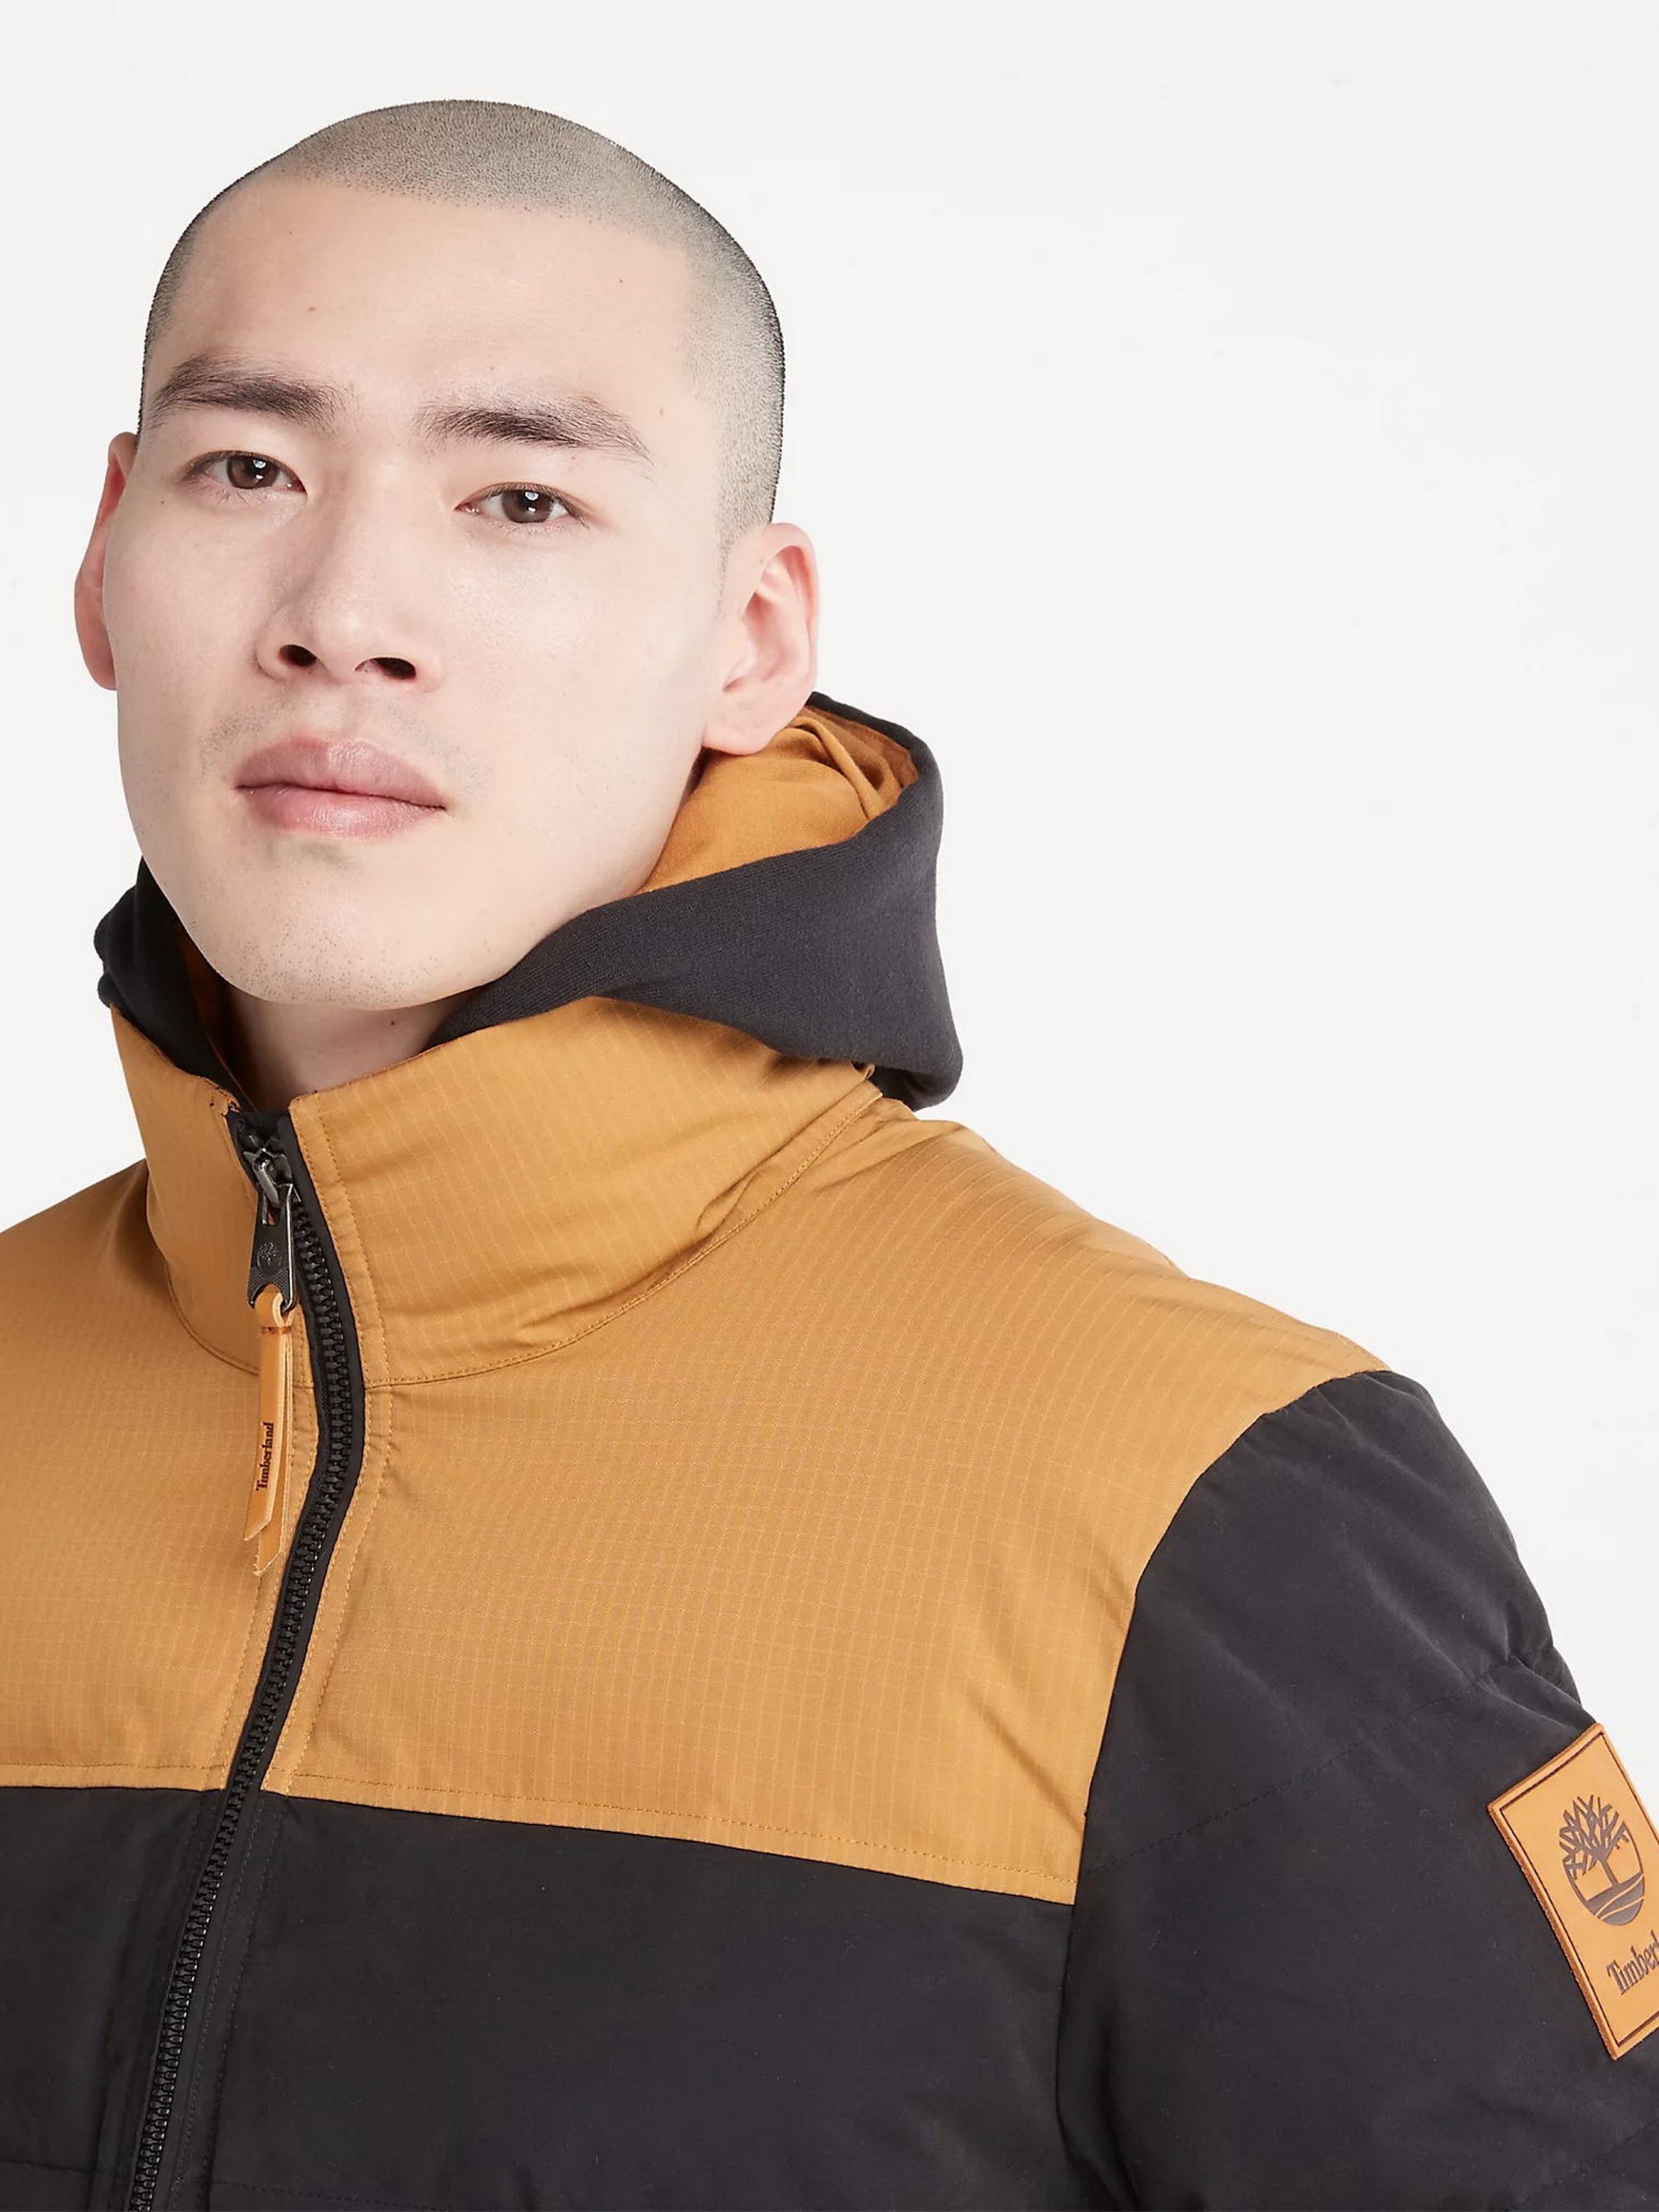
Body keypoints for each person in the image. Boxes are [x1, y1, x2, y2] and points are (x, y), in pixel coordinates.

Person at [0, 93, 1652, 2212]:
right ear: (105, 555)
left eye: (519, 497)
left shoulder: (1199, 1500)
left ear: (754, 640)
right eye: (250, 469)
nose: (344, 613)